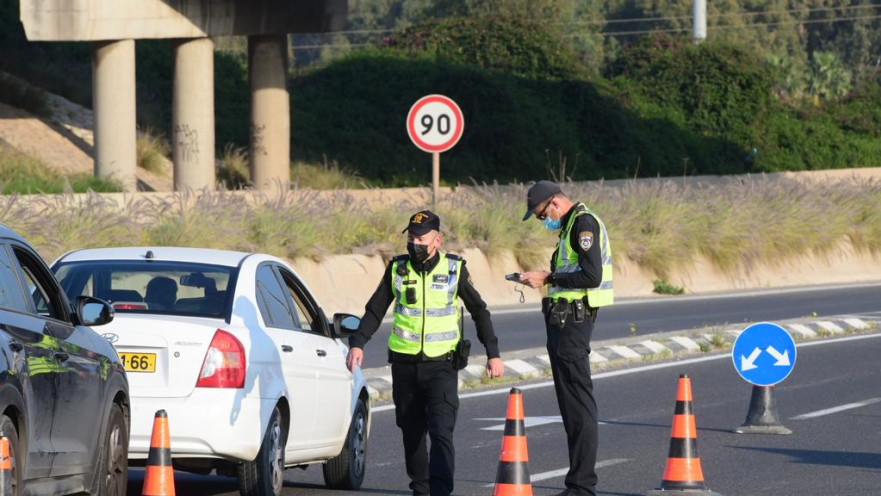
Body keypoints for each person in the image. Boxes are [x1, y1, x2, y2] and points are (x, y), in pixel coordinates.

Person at [346, 210, 505, 496]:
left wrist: (493, 353)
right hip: (404, 365)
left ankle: (441, 491)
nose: (414, 243)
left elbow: (479, 310)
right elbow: (375, 309)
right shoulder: (397, 268)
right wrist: (358, 343)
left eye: (420, 238)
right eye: (411, 237)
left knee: (441, 430)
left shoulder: (454, 270)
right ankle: (420, 489)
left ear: (437, 241)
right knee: (411, 431)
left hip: (441, 365)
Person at [518, 181, 614, 496]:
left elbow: (591, 275)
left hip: (575, 320)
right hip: (563, 319)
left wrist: (548, 277)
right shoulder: (570, 227)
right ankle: (577, 484)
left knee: (578, 405)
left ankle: (583, 486)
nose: (541, 221)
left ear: (556, 203)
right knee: (570, 405)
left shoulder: (583, 224)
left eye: (541, 214)